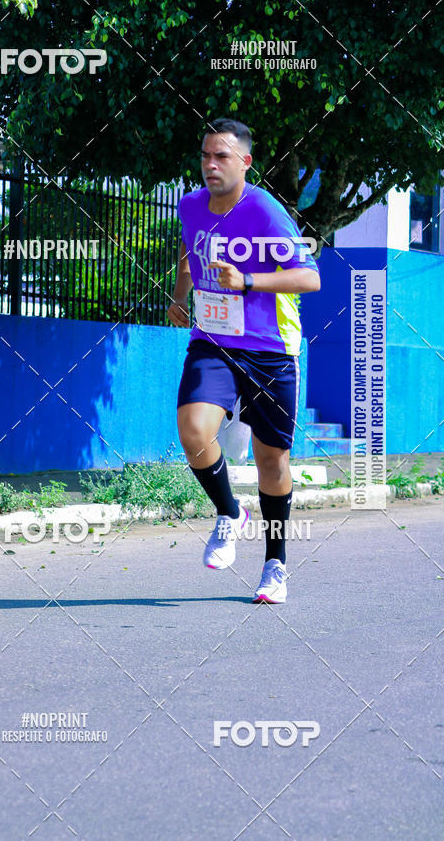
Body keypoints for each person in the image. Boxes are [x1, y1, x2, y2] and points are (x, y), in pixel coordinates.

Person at [168, 117, 320, 603]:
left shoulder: (266, 213)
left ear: (245, 162)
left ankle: (275, 563)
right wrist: (178, 296)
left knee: (270, 458)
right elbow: (191, 251)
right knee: (193, 430)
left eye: (222, 157)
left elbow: (309, 278)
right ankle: (230, 513)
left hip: (270, 347)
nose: (211, 165)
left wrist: (249, 282)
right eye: (206, 156)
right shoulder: (190, 204)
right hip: (212, 339)